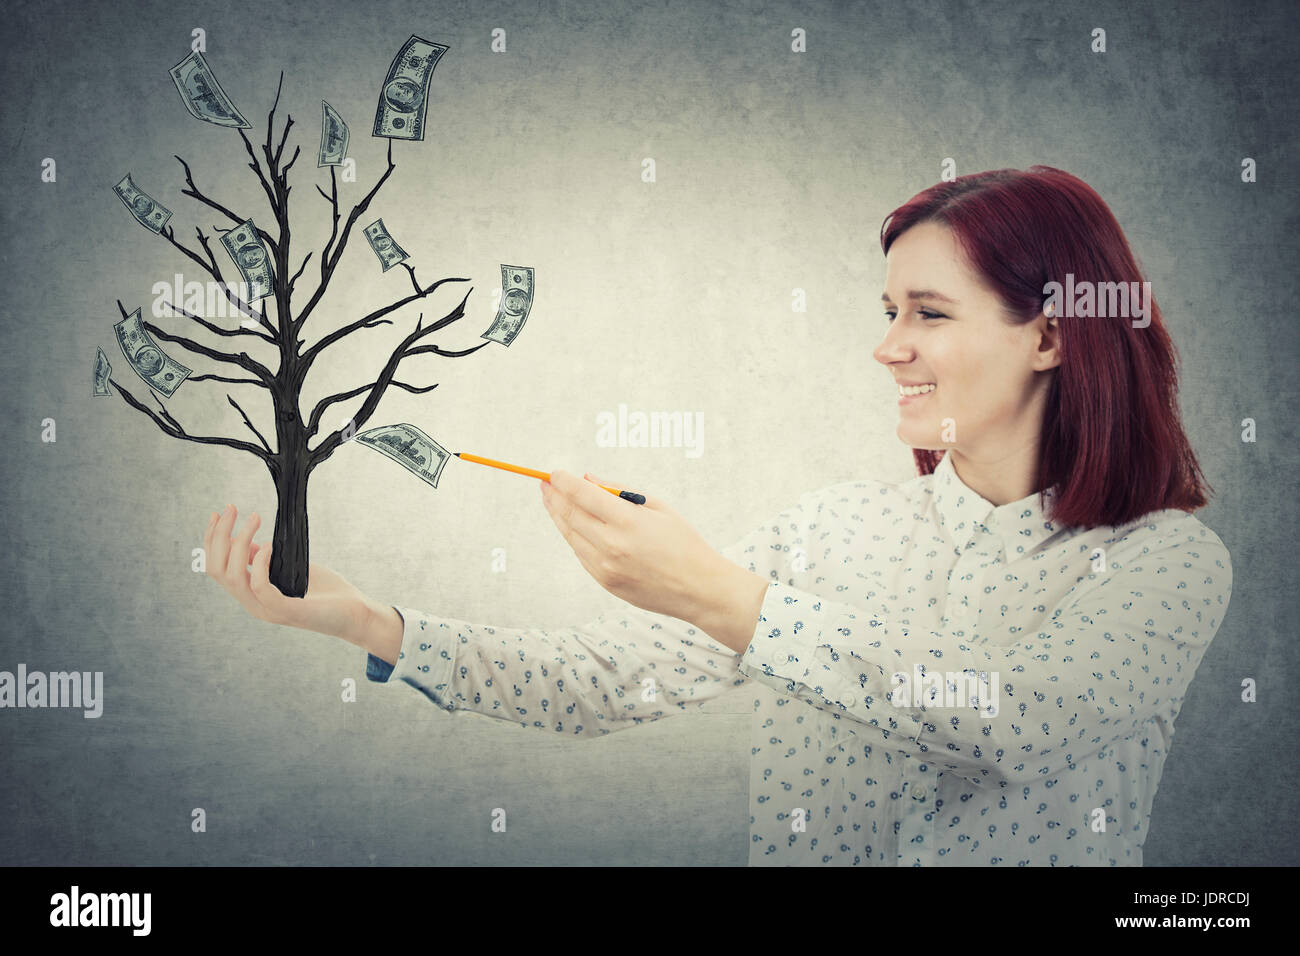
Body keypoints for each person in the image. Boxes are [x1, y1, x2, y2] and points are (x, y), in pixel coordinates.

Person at [203, 166, 1232, 866]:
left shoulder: (1164, 562)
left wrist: (725, 598)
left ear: (1051, 336)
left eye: (928, 312)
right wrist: (368, 621)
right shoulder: (826, 529)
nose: (887, 347)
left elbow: (1014, 721)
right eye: (886, 313)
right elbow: (598, 681)